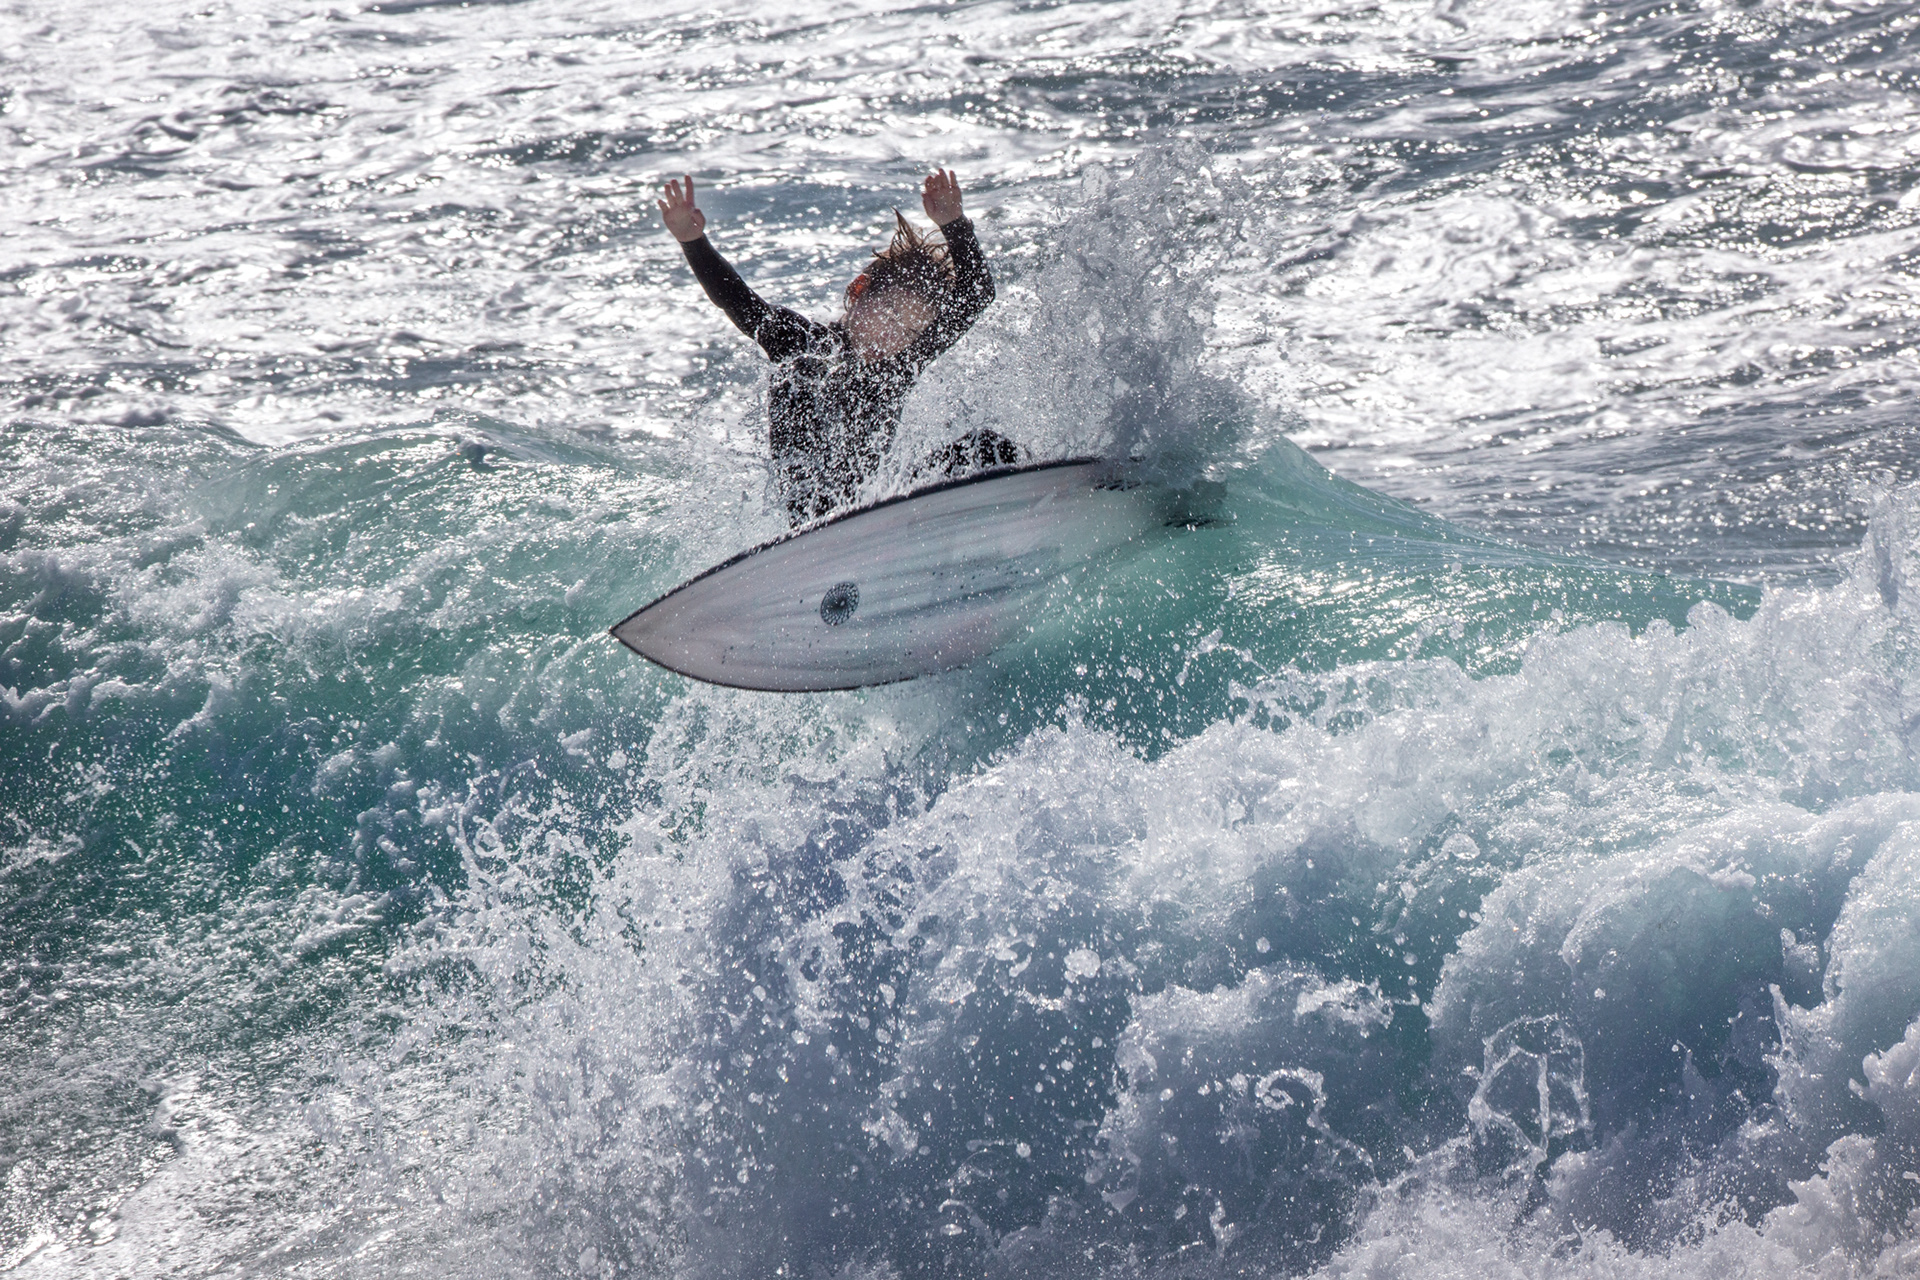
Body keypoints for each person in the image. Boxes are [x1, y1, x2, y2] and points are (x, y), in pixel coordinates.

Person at [658, 169, 1012, 525]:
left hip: (875, 510)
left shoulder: (899, 364)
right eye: (889, 314)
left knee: (988, 448)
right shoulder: (800, 344)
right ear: (859, 290)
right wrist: (693, 242)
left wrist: (954, 223)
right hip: (812, 524)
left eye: (909, 330)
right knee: (826, 505)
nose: (893, 336)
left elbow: (976, 296)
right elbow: (738, 301)